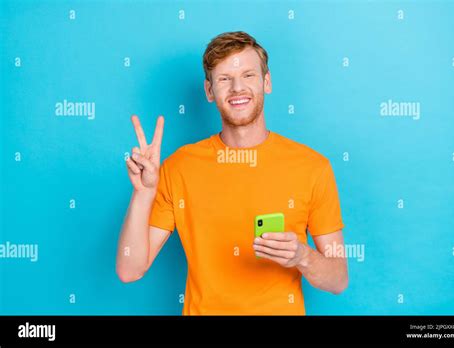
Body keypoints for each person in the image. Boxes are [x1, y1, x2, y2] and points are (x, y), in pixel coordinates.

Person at [116, 31, 348, 315]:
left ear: (267, 82)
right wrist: (143, 193)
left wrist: (303, 256)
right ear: (209, 91)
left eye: (248, 75)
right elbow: (130, 270)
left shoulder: (313, 167)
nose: (237, 88)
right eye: (224, 79)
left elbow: (338, 279)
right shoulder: (179, 167)